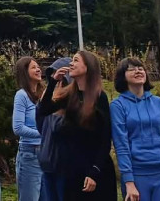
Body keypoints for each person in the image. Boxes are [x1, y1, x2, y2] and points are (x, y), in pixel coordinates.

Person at [37, 50, 115, 201]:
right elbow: (44, 110)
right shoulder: (69, 95)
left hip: (95, 170)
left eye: (76, 60)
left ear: (88, 66)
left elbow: (105, 139)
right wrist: (53, 82)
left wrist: (94, 172)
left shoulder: (99, 97)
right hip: (72, 171)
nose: (71, 64)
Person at [112, 58, 160, 201]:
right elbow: (121, 145)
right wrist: (129, 182)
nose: (138, 71)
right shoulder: (117, 106)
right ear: (122, 76)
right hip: (137, 174)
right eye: (131, 69)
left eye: (141, 68)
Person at [12, 56, 46, 201]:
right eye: (33, 67)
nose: (38, 69)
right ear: (24, 72)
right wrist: (43, 134)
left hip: (46, 153)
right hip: (30, 154)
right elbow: (18, 128)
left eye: (38, 67)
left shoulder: (44, 94)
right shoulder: (22, 95)